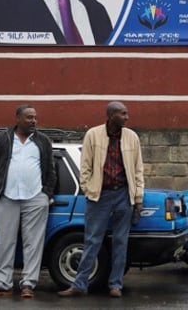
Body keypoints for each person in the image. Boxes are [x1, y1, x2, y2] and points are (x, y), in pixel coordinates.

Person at [58, 101, 144, 299]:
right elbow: (85, 166)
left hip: (124, 195)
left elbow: (138, 169)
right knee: (92, 240)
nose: (127, 117)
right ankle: (80, 284)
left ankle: (115, 285)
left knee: (121, 242)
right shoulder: (93, 134)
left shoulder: (131, 137)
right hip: (100, 196)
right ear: (111, 115)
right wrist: (89, 190)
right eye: (123, 114)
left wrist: (137, 198)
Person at [0, 105, 56, 299]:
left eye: (35, 118)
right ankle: (3, 284)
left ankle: (28, 285)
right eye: (29, 117)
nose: (33, 121)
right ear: (17, 119)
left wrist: (45, 194)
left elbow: (51, 170)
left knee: (33, 244)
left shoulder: (43, 141)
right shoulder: (4, 139)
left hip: (35, 198)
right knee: (5, 242)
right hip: (6, 197)